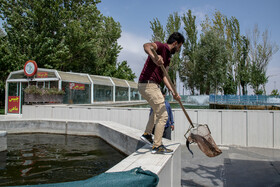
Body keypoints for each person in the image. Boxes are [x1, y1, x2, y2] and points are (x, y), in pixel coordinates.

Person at [138, 32, 184, 154]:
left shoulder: (168, 57)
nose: (179, 49)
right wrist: (154, 57)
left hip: (149, 85)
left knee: (156, 111)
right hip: (149, 84)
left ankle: (147, 134)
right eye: (180, 46)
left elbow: (164, 76)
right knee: (163, 115)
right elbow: (146, 46)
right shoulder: (161, 46)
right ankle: (157, 146)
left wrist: (174, 92)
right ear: (175, 43)